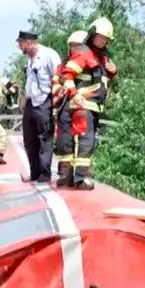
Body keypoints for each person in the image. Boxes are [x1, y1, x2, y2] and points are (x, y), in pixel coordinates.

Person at [53, 18, 117, 189]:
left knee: (82, 141)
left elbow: (100, 76)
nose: (103, 41)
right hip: (84, 105)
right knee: (85, 141)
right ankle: (80, 178)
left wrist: (112, 71)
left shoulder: (101, 56)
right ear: (92, 34)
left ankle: (69, 176)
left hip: (93, 106)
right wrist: (74, 94)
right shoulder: (84, 52)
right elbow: (68, 75)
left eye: (106, 39)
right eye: (101, 37)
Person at [17, 30, 61, 183]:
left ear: (29, 42)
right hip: (31, 102)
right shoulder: (30, 60)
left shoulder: (49, 55)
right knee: (29, 139)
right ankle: (34, 172)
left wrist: (55, 101)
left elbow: (58, 77)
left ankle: (44, 174)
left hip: (44, 102)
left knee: (44, 138)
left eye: (21, 43)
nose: (19, 47)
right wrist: (24, 99)